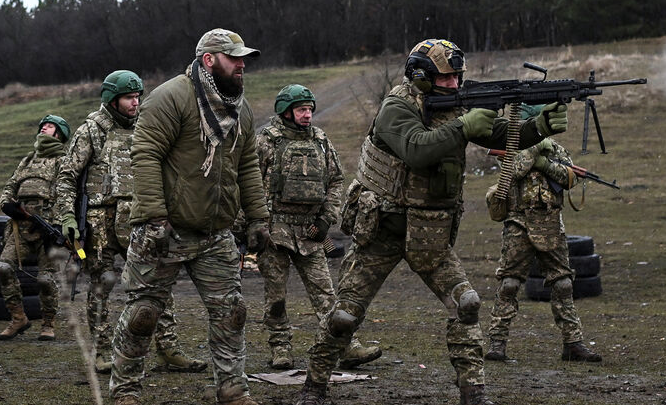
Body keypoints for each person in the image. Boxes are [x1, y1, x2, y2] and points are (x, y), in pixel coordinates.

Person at [296, 39, 568, 405]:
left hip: (431, 233)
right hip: (382, 230)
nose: (454, 84)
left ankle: (474, 393)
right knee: (344, 316)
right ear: (421, 77)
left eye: (458, 77)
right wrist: (464, 127)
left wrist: (540, 125)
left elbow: (503, 134)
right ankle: (313, 387)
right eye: (446, 78)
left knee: (467, 303)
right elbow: (417, 149)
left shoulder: (455, 106)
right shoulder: (396, 107)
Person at [109, 28, 270, 405]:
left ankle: (233, 391)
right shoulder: (171, 97)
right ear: (209, 60)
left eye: (243, 59)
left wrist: (258, 217)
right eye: (234, 58)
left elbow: (247, 164)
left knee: (232, 313)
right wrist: (154, 217)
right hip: (164, 229)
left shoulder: (240, 108)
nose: (241, 65)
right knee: (143, 315)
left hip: (215, 233)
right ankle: (125, 392)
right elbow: (145, 154)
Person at [56, 70, 205, 374]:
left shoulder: (146, 128)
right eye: (128, 98)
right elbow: (67, 177)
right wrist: (67, 217)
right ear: (112, 100)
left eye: (138, 96)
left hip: (139, 218)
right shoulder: (91, 130)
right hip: (100, 223)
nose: (135, 102)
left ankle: (168, 348)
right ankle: (100, 351)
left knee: (156, 284)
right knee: (102, 285)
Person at [256, 84, 381, 370]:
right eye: (301, 110)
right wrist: (250, 226)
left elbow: (336, 180)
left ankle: (346, 346)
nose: (308, 115)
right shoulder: (265, 141)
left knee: (326, 294)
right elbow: (248, 182)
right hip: (274, 232)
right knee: (276, 297)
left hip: (311, 233)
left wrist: (326, 220)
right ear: (286, 112)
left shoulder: (321, 141)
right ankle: (280, 348)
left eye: (310, 110)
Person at [483, 104, 602, 363]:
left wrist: (543, 163)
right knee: (509, 283)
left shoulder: (556, 150)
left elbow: (569, 178)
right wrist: (535, 149)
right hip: (519, 223)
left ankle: (573, 344)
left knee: (563, 284)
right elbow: (515, 170)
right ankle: (497, 344)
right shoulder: (512, 149)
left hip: (550, 224)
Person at [0, 115, 71, 341]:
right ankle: (18, 318)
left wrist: (57, 225)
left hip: (48, 227)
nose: (44, 128)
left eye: (49, 126)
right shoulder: (28, 160)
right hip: (20, 227)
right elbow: (11, 185)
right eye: (43, 126)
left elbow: (67, 193)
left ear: (59, 134)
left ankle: (48, 323)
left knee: (46, 279)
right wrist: (7, 204)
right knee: (3, 268)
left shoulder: (63, 160)